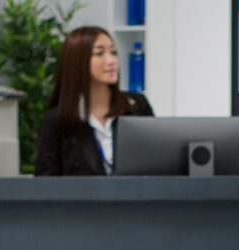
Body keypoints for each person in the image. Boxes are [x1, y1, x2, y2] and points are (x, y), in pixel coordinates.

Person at [34, 26, 153, 176]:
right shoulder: (58, 120)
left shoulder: (137, 106)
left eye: (113, 52)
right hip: (82, 199)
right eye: (99, 53)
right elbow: (46, 182)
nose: (111, 61)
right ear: (77, 62)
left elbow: (157, 166)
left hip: (135, 197)